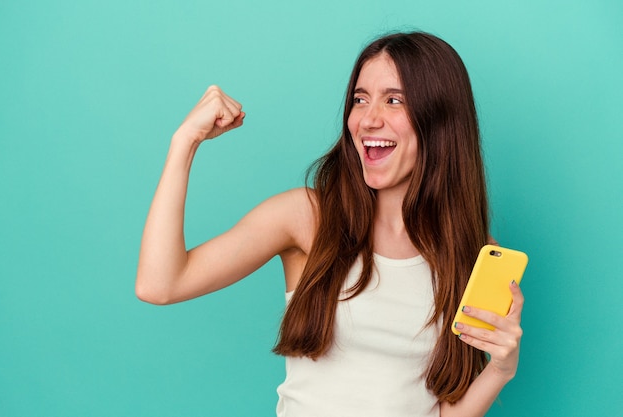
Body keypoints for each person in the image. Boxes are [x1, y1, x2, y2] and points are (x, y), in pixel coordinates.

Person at [136, 31, 524, 417]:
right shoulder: (306, 218)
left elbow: (441, 412)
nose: (369, 119)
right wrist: (185, 141)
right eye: (360, 99)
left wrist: (501, 370)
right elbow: (160, 284)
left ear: (439, 120)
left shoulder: (472, 251)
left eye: (394, 100)